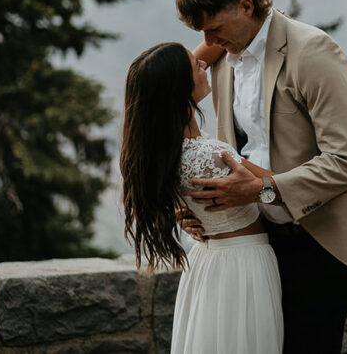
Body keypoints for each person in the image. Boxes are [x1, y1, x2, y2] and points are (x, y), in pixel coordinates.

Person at [175, 0, 347, 354]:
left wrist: (261, 191)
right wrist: (191, 209)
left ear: (246, 5)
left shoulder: (314, 52)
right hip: (256, 246)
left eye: (215, 28)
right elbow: (161, 87)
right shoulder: (220, 54)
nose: (207, 42)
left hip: (319, 242)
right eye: (202, 33)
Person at [119, 42, 283, 353]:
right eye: (196, 66)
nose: (204, 66)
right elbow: (284, 186)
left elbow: (202, 52)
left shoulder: (168, 152)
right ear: (179, 87)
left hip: (210, 261)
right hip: (243, 266)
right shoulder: (209, 154)